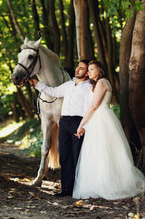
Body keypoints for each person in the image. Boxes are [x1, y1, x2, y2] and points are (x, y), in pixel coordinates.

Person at [73, 60, 145, 200]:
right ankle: (99, 184)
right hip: (98, 119)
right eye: (88, 70)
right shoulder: (101, 83)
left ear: (100, 70)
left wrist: (81, 125)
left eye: (91, 69)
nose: (88, 72)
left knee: (104, 152)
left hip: (101, 119)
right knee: (100, 152)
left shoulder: (102, 83)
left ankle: (110, 185)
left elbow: (94, 106)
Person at [29, 60, 92, 197]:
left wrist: (84, 126)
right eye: (77, 66)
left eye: (81, 68)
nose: (77, 69)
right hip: (64, 122)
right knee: (64, 156)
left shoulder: (89, 88)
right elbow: (54, 92)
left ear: (87, 73)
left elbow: (89, 108)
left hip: (78, 122)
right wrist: (37, 84)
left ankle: (78, 188)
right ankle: (66, 189)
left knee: (77, 156)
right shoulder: (69, 84)